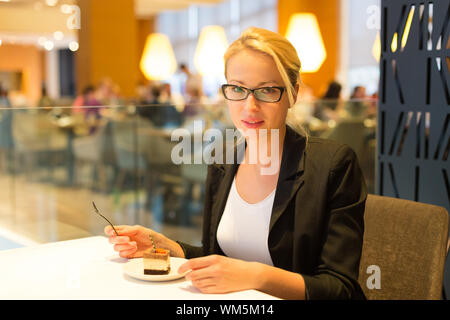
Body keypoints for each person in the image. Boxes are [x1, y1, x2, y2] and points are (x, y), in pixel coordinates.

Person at [105, 27, 366, 300]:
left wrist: (256, 275)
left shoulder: (333, 166)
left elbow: (341, 290)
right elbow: (219, 259)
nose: (249, 106)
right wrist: (168, 247)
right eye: (238, 89)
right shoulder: (223, 161)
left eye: (266, 90)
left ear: (292, 94)